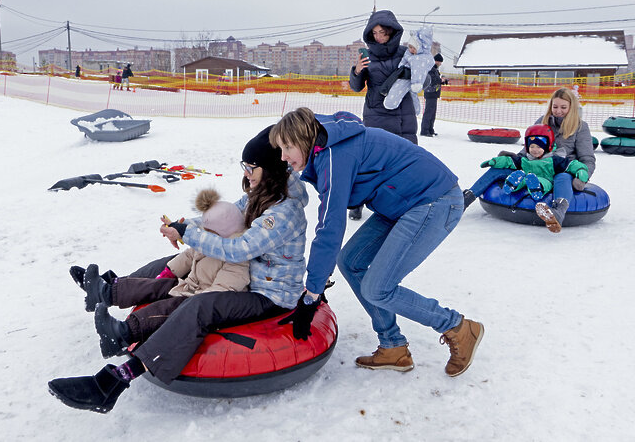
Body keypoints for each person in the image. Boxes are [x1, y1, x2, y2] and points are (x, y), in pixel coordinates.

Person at [48, 127, 311, 413]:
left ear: (270, 168)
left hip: (268, 294)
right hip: (245, 276)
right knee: (175, 264)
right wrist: (186, 225)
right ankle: (107, 291)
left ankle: (113, 382)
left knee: (200, 306)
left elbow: (241, 248)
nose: (246, 172)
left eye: (251, 166)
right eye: (244, 166)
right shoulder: (260, 194)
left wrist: (192, 234)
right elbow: (230, 217)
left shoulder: (283, 213)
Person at [270, 107, 484, 378]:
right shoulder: (325, 145)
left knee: (379, 288)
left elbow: (330, 226)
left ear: (304, 138)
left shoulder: (334, 156)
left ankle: (458, 327)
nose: (283, 156)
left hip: (433, 200)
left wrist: (312, 293)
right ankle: (393, 345)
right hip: (401, 203)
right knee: (351, 262)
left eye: (288, 147)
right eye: (280, 148)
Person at [85, 187, 251, 359]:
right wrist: (168, 272)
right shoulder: (210, 241)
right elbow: (188, 255)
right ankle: (105, 293)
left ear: (224, 233)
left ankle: (123, 334)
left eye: (209, 232)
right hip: (190, 286)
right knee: (156, 286)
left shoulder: (237, 258)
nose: (204, 236)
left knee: (166, 309)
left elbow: (221, 290)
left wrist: (193, 303)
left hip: (199, 299)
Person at [463, 87, 596, 233]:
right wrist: (516, 158)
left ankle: (557, 212)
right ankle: (467, 198)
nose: (558, 111)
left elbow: (587, 158)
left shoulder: (580, 127)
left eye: (563, 107)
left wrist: (583, 176)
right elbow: (529, 145)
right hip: (534, 164)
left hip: (560, 168)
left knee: (563, 177)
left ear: (571, 108)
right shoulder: (543, 121)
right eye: (555, 106)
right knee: (499, 168)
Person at [347, 10, 417, 221]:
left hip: (403, 113)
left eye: (382, 32)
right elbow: (356, 87)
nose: (378, 37)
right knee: (369, 162)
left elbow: (424, 77)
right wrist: (357, 71)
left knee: (405, 161)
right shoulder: (366, 55)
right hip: (376, 113)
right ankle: (357, 202)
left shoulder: (406, 52)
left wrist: (421, 61)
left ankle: (403, 202)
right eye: (375, 33)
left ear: (392, 32)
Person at [477, 125, 589, 201]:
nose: (535, 150)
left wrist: (581, 170)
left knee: (544, 182)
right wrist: (495, 161)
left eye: (539, 147)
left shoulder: (554, 160)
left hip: (545, 179)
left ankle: (537, 188)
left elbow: (570, 164)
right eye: (532, 146)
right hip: (527, 178)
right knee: (523, 179)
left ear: (547, 147)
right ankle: (511, 184)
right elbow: (509, 161)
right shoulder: (525, 159)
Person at [419, 53, 445, 137]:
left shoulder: (435, 69)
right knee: (428, 112)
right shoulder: (430, 69)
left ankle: (430, 129)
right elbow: (431, 80)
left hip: (434, 93)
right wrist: (440, 81)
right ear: (436, 61)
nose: (440, 64)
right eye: (439, 62)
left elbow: (437, 80)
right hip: (430, 93)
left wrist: (443, 81)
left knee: (432, 113)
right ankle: (424, 130)